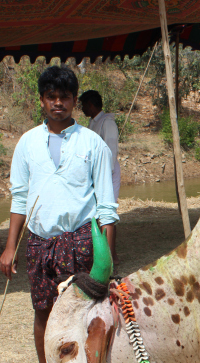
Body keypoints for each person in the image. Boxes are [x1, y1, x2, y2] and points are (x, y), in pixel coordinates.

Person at [0, 66, 118, 363]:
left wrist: (106, 258)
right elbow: (19, 197)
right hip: (39, 241)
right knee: (42, 310)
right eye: (51, 97)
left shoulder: (92, 144)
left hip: (78, 239)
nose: (58, 103)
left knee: (82, 313)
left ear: (74, 101)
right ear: (41, 100)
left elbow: (106, 207)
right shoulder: (27, 144)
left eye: (64, 97)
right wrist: (11, 247)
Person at [79, 89, 121, 264]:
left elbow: (111, 149)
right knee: (96, 213)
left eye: (83, 105)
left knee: (107, 212)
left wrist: (105, 175)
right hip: (95, 174)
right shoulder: (93, 123)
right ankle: (101, 252)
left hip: (107, 173)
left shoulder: (107, 123)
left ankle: (112, 255)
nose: (82, 109)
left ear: (90, 105)